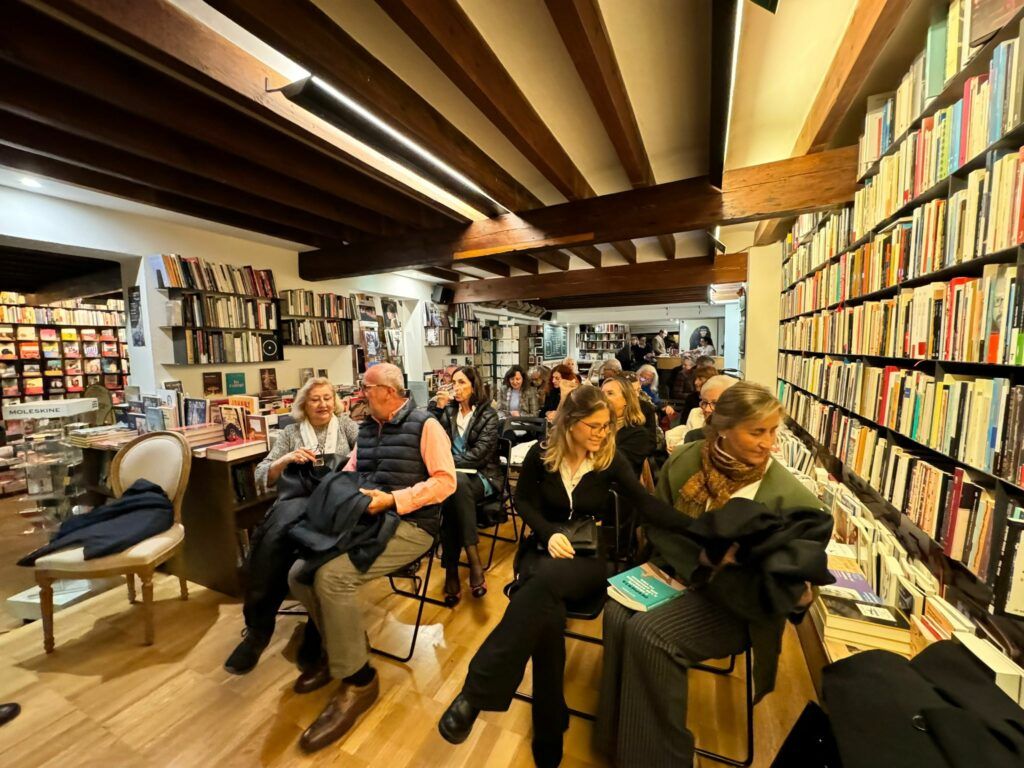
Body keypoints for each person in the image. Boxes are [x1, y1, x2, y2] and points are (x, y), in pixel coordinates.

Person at [436, 386, 689, 767]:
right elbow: (522, 501)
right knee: (546, 612)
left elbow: (646, 503)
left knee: (538, 589)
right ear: (570, 423)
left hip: (587, 558)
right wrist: (547, 532)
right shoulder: (542, 456)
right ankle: (549, 722)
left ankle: (477, 691)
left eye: (607, 427)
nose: (603, 434)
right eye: (595, 426)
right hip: (543, 549)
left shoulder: (608, 459)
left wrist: (697, 528)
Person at [595, 382, 826, 767]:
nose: (769, 443)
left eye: (773, 431)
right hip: (678, 575)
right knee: (617, 614)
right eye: (757, 432)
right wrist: (699, 560)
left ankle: (661, 759)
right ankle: (617, 740)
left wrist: (799, 595)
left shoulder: (790, 497)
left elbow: (798, 588)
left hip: (735, 605)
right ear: (722, 429)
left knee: (650, 635)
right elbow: (658, 526)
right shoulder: (686, 462)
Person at [286, 363, 456, 753]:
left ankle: (360, 680)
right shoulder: (366, 427)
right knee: (299, 574)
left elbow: (446, 481)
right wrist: (336, 489)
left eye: (367, 387)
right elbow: (352, 469)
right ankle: (342, 647)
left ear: (390, 391)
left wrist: (396, 499)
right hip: (366, 517)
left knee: (332, 578)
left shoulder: (426, 425)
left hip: (412, 525)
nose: (360, 393)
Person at [224, 377, 359, 675]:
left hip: (331, 505)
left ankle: (316, 630)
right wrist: (285, 459)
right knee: (271, 542)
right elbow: (263, 477)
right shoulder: (290, 432)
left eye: (327, 397)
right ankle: (258, 631)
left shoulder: (348, 427)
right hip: (294, 503)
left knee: (319, 553)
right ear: (303, 405)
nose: (323, 404)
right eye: (315, 399)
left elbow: (366, 463)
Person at [430, 366, 501, 604]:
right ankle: (473, 560)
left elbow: (479, 456)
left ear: (473, 385)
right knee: (455, 488)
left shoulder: (487, 415)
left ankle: (452, 568)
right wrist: (436, 407)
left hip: (482, 476)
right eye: (453, 383)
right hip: (455, 480)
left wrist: (445, 464)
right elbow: (429, 436)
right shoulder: (448, 412)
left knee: (454, 486)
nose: (456, 388)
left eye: (461, 382)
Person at [600, 375, 655, 476]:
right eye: (601, 393)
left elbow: (617, 467)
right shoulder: (596, 425)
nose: (603, 398)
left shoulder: (638, 434)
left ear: (626, 399)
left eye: (610, 393)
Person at [682, 375, 737, 444]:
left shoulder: (745, 436)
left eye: (715, 403)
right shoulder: (694, 437)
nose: (707, 409)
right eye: (704, 402)